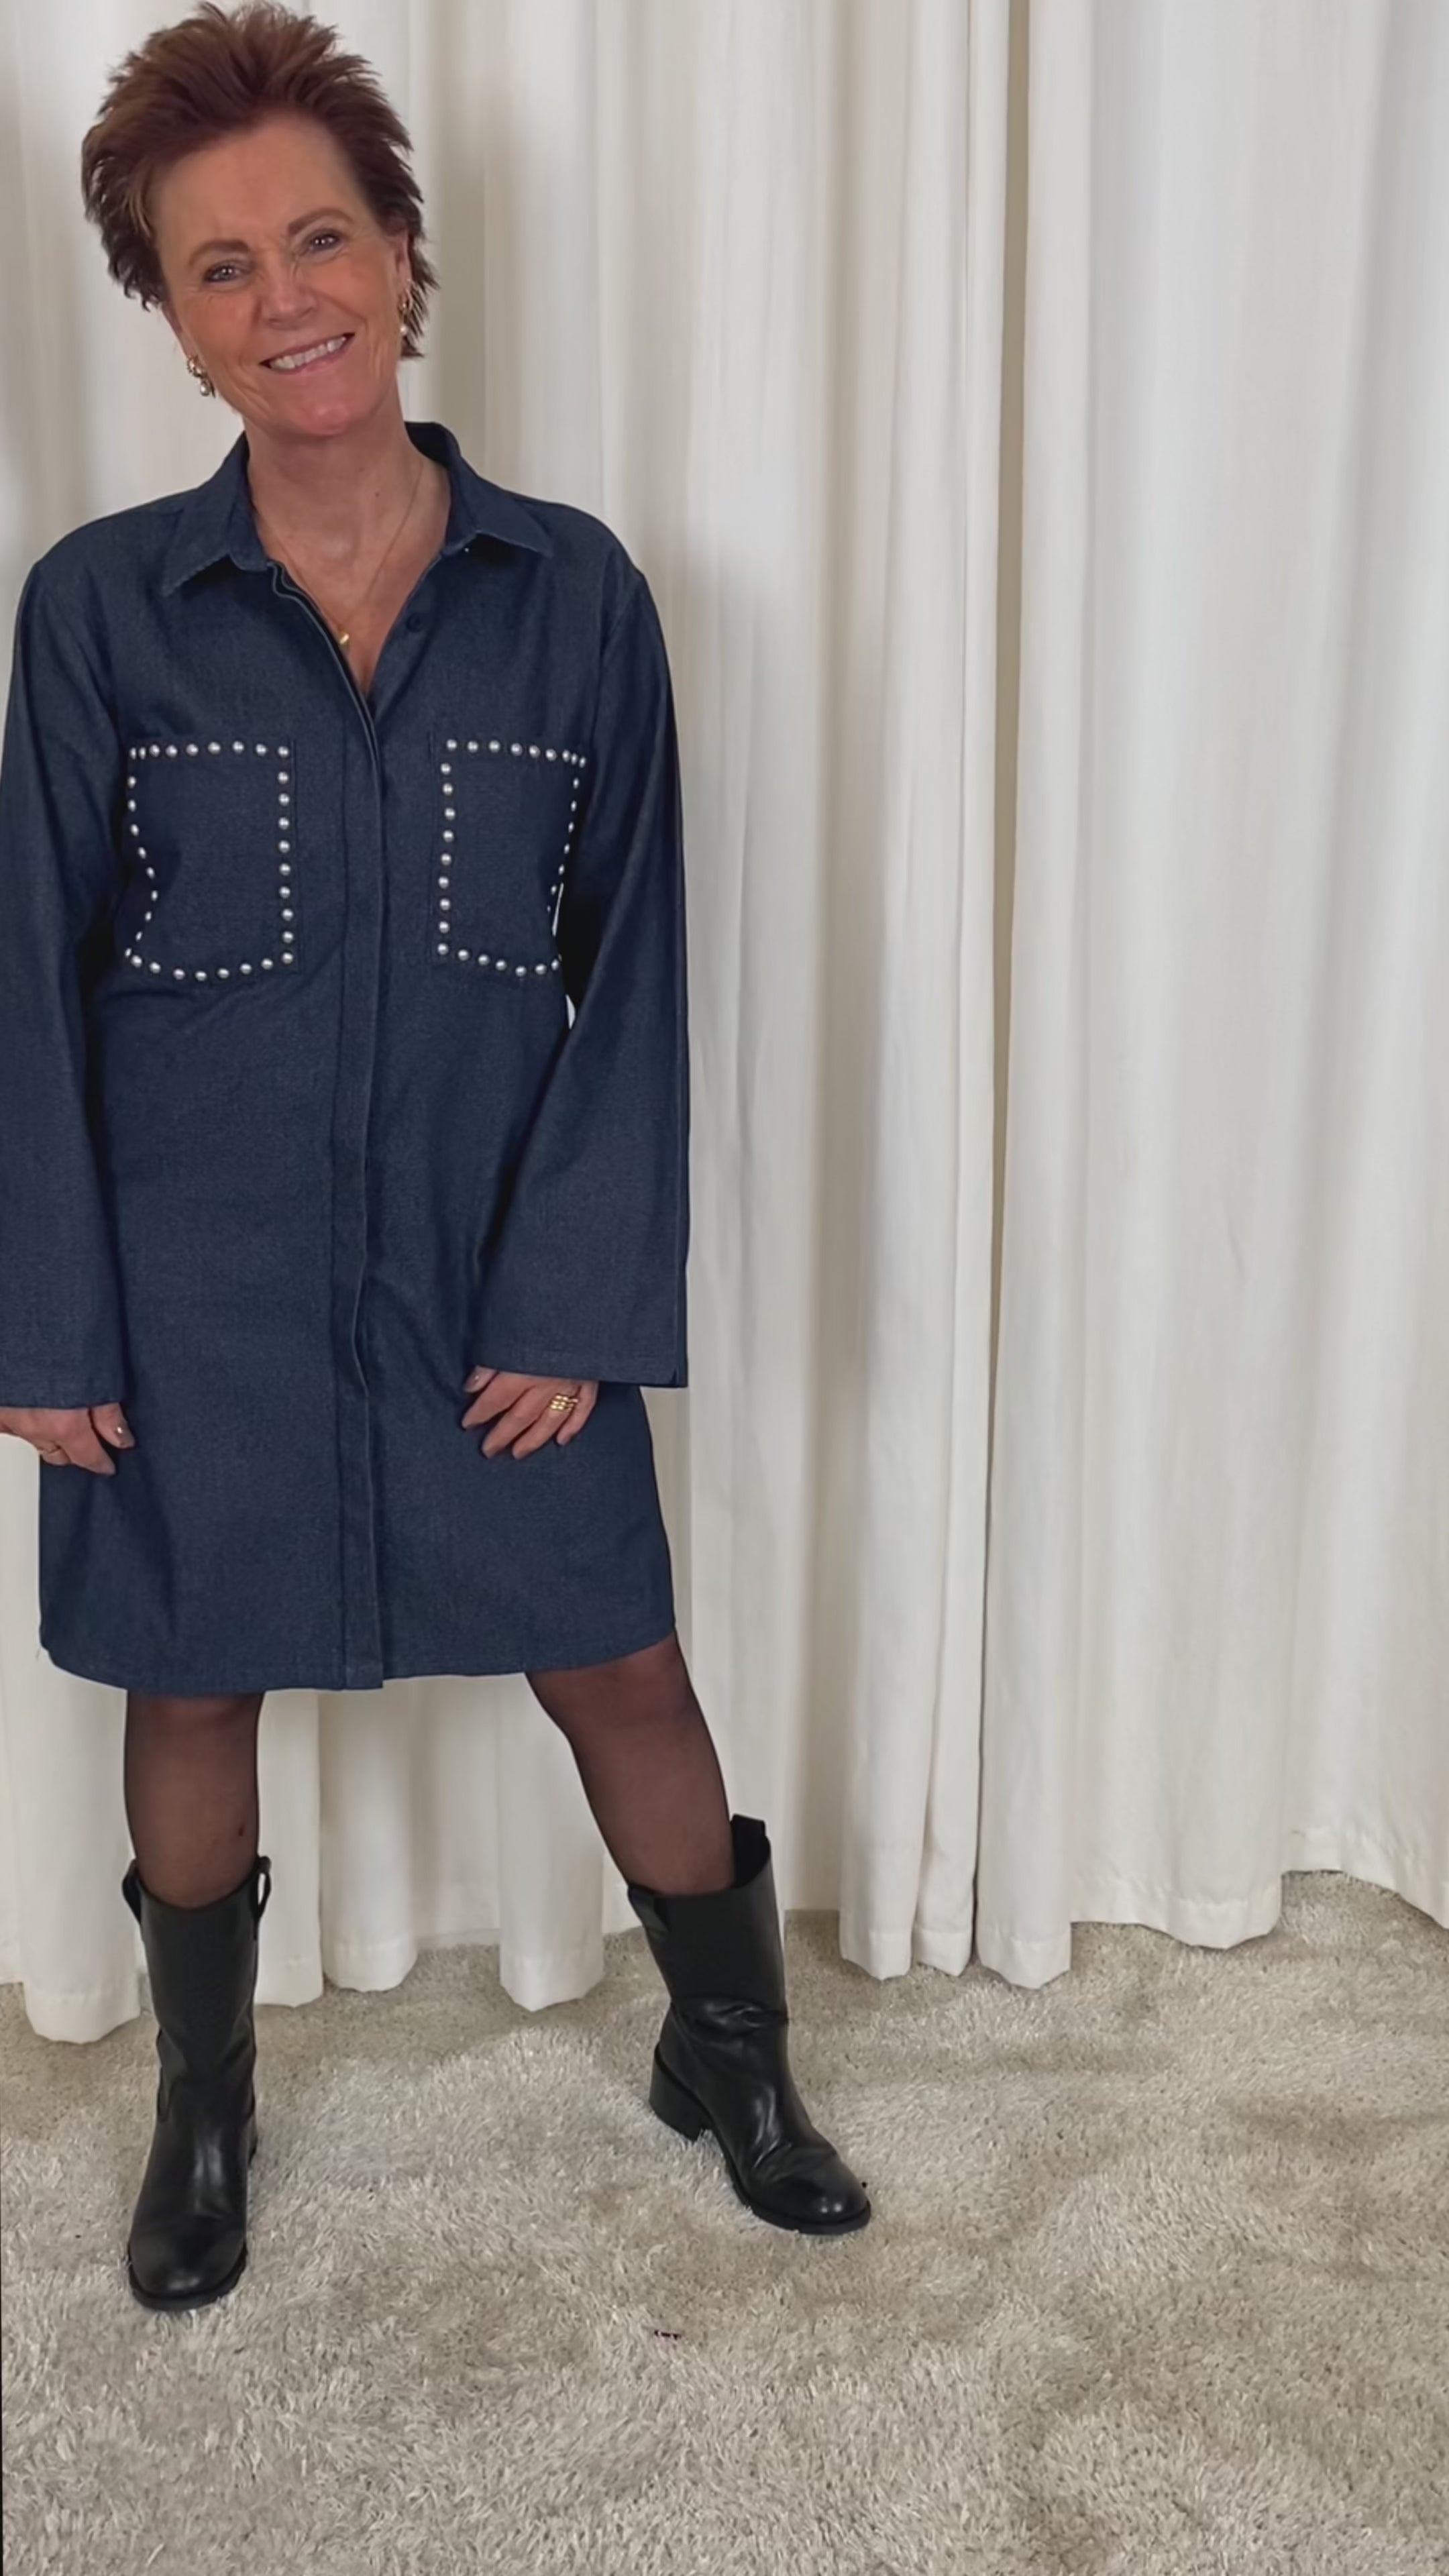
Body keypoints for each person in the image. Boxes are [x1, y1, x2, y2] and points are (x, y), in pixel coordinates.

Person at [0, 1, 869, 2314]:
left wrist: (574, 1300)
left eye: (320, 238)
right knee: (190, 1684)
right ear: (173, 320)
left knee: (625, 1670)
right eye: (219, 266)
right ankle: (203, 2111)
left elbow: (635, 967)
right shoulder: (96, 611)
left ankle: (734, 2056)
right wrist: (49, 1324)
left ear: (398, 249)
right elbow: (25, 976)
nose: (284, 296)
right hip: (190, 1295)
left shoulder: (575, 596)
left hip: (492, 1276)